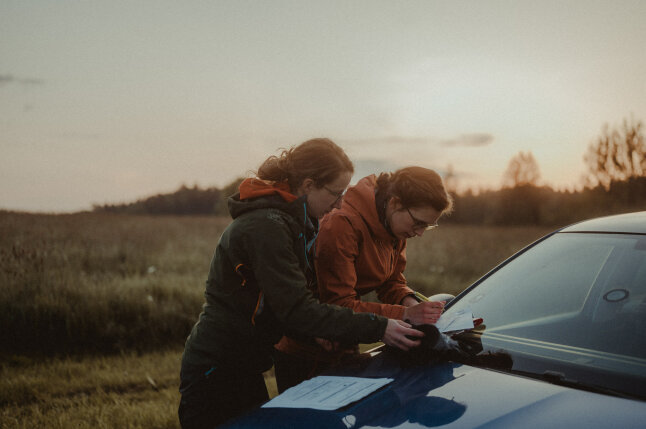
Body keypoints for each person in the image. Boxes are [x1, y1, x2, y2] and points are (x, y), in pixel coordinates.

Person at [178, 139, 424, 428]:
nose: (340, 203)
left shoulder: (292, 222)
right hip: (216, 369)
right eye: (335, 193)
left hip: (246, 366)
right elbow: (297, 308)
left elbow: (276, 302)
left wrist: (312, 333)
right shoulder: (267, 227)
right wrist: (380, 327)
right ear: (308, 185)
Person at [274, 166, 454, 392]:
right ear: (395, 203)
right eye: (418, 223)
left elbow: (391, 280)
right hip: (306, 350)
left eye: (427, 226)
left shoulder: (393, 225)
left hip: (347, 337)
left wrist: (410, 302)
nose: (419, 233)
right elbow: (339, 303)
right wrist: (405, 315)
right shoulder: (342, 224)